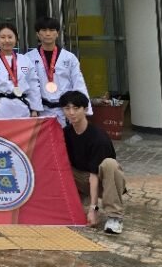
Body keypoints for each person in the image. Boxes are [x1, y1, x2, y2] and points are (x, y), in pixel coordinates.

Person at [61, 91, 126, 235]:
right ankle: (75, 202)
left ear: (85, 109)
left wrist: (93, 209)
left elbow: (94, 176)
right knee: (55, 162)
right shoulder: (65, 133)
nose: (71, 113)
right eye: (67, 108)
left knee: (110, 164)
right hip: (80, 179)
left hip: (104, 183)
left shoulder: (98, 137)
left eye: (76, 108)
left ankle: (115, 217)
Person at [28, 17, 92, 126]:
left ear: (57, 33)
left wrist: (84, 109)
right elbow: (28, 86)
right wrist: (33, 108)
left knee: (66, 140)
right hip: (40, 109)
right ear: (37, 34)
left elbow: (78, 83)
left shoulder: (69, 58)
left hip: (65, 110)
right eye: (43, 30)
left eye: (52, 30)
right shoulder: (28, 58)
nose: (48, 34)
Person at [0, 22, 43, 119]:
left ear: (16, 39)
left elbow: (33, 85)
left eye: (10, 37)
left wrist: (35, 108)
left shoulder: (25, 59)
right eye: (3, 37)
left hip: (23, 106)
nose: (7, 40)